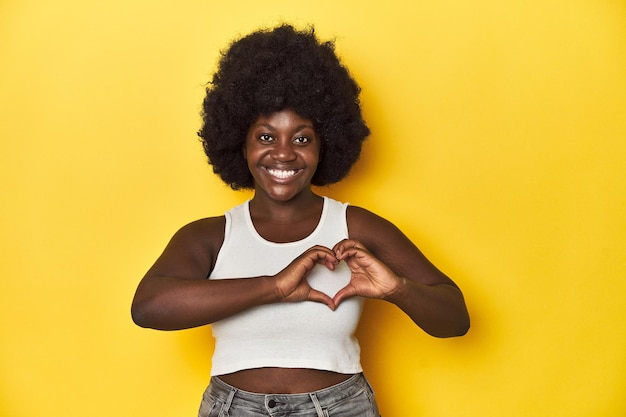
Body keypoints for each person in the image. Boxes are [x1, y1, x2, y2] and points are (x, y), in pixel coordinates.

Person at [131, 24, 470, 417]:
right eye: (265, 137)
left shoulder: (356, 227)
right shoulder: (209, 235)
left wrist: (398, 288)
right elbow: (148, 306)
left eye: (302, 138)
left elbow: (455, 319)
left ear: (326, 142)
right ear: (239, 142)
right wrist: (274, 287)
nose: (284, 154)